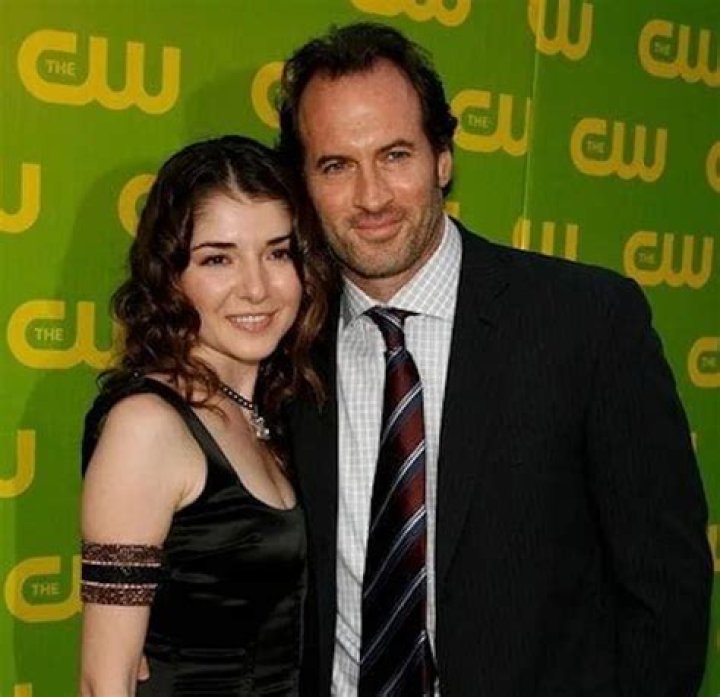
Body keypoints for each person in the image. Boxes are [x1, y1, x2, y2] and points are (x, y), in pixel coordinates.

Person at [277, 22, 713, 696]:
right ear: (302, 183)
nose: (371, 197)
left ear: (443, 157)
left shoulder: (587, 322)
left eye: (396, 155)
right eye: (336, 165)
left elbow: (666, 588)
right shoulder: (283, 339)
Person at [79, 135, 330, 696]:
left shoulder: (274, 414)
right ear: (171, 276)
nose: (256, 288)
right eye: (218, 258)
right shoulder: (147, 427)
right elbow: (103, 681)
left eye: (278, 253)